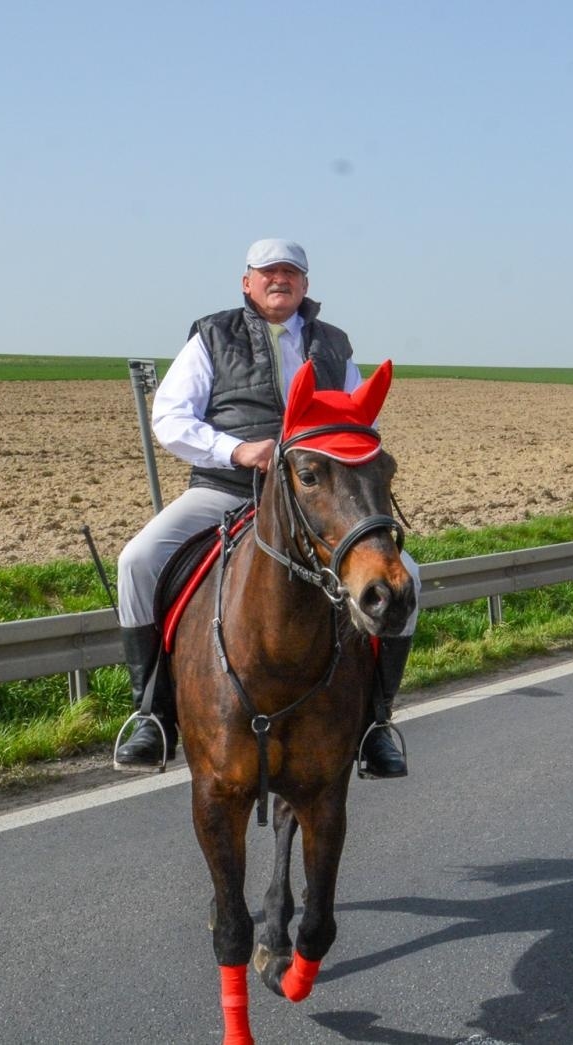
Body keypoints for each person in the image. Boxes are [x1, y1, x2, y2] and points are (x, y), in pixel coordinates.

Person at [113, 239, 419, 778]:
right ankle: (152, 714)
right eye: (268, 271)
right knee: (137, 560)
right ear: (246, 281)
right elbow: (171, 416)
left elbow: (353, 420)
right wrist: (236, 449)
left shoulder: (334, 344)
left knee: (406, 575)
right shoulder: (212, 335)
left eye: (291, 272)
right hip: (228, 488)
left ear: (305, 284)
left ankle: (376, 723)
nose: (281, 279)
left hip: (313, 495)